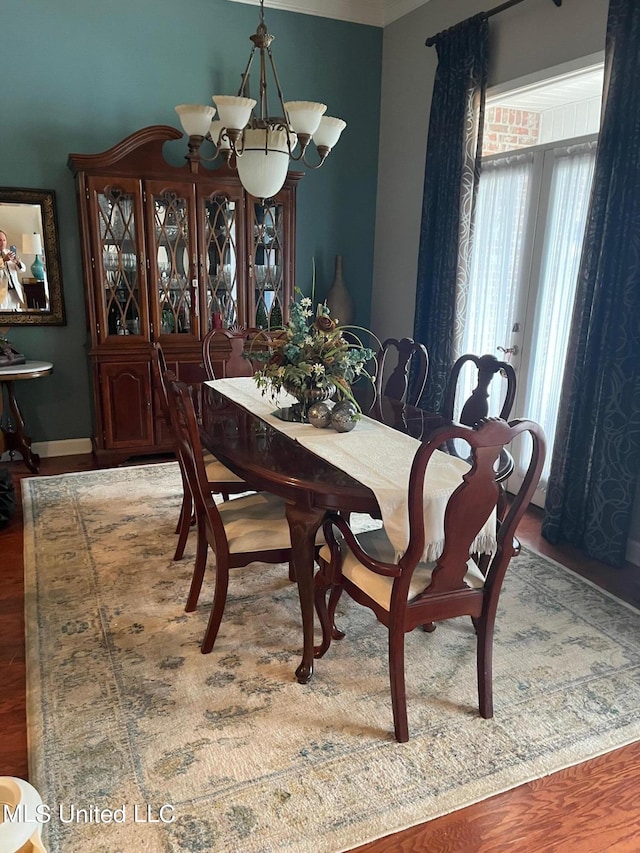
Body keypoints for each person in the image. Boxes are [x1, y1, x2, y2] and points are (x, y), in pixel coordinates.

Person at [0, 229, 27, 310]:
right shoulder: (5, 257)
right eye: (0, 240)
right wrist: (4, 260)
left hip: (14, 293)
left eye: (4, 240)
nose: (2, 242)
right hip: (1, 295)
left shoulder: (9, 253)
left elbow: (22, 270)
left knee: (16, 317)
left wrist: (18, 262)